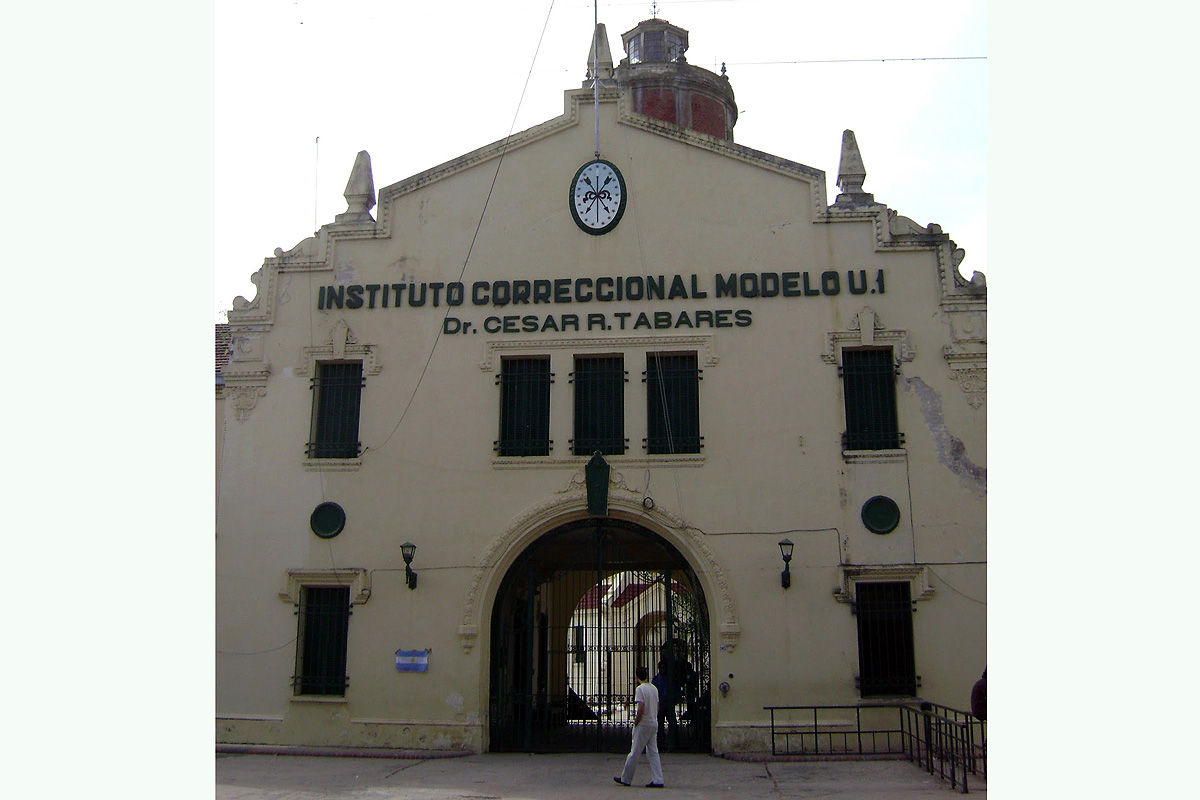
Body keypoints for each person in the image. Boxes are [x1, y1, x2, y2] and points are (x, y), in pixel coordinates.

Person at [614, 666, 664, 788]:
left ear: (637, 677)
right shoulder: (654, 688)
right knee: (653, 752)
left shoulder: (640, 689)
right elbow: (657, 706)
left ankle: (626, 778)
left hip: (643, 724)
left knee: (635, 751)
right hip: (653, 723)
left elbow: (641, 707)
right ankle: (658, 779)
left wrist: (636, 722)